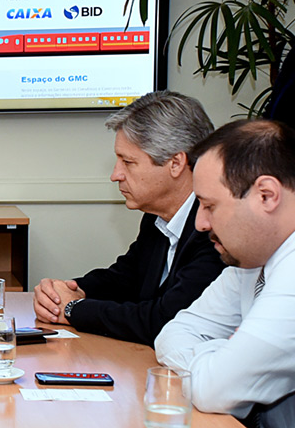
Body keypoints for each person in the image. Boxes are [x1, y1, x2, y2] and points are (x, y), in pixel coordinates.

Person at [156, 120, 295, 428]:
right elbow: (171, 333)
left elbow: (214, 390)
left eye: (209, 206)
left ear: (266, 195)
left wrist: (218, 363)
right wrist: (221, 354)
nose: (200, 224)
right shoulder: (253, 258)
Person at [34, 91, 225, 345]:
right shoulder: (156, 215)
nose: (115, 175)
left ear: (176, 163)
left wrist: (74, 309)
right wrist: (64, 293)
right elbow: (125, 278)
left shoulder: (216, 228)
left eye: (128, 162)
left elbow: (165, 320)